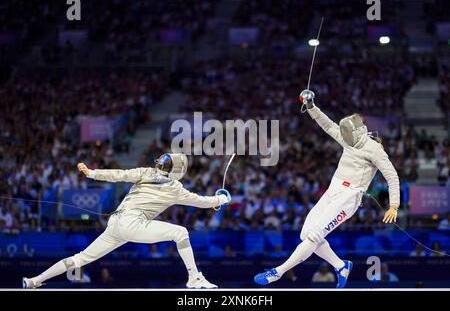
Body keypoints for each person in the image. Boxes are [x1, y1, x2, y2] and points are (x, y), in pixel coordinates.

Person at [254, 90, 400, 288]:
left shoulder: (374, 150)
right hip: (333, 191)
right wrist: (311, 106)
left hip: (350, 196)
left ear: (357, 132)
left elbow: (392, 176)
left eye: (348, 134)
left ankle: (278, 272)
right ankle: (341, 266)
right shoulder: (350, 140)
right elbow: (327, 124)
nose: (344, 137)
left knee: (314, 235)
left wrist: (393, 206)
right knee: (305, 234)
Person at [23, 153, 231, 289]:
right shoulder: (175, 189)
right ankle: (194, 278)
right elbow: (201, 202)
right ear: (177, 171)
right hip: (133, 224)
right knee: (181, 233)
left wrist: (92, 173)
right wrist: (222, 199)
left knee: (80, 258)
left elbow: (118, 174)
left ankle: (34, 281)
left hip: (115, 224)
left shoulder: (145, 172)